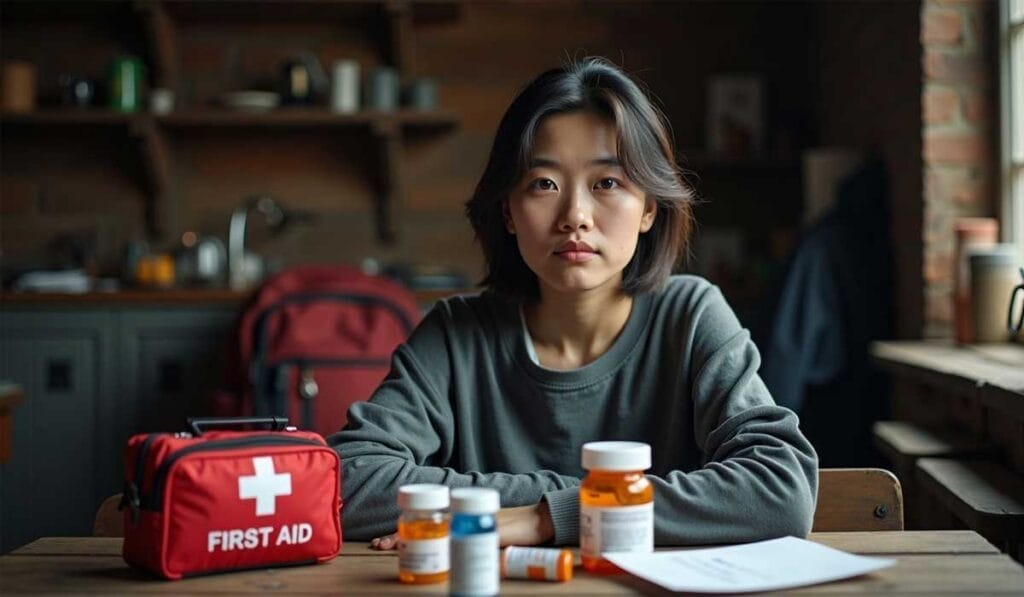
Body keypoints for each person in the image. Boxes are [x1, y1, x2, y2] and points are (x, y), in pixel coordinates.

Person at [328, 57, 818, 549]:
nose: (575, 216)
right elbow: (351, 481)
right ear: (509, 212)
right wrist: (577, 500)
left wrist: (546, 520)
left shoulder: (689, 316)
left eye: (607, 183)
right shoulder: (455, 334)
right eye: (544, 184)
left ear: (649, 208)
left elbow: (780, 489)